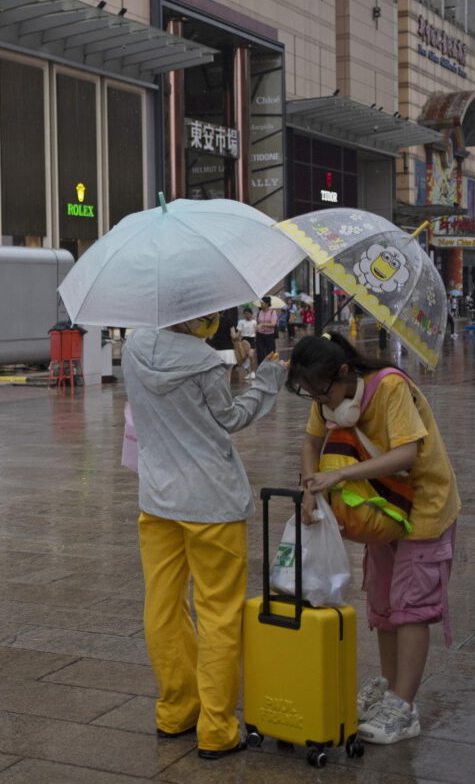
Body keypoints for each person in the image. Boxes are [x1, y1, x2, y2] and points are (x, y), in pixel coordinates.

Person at [122, 313, 286, 760]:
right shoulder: (203, 361)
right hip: (212, 502)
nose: (213, 322)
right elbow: (230, 418)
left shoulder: (133, 348)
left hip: (157, 499)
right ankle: (216, 728)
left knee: (162, 605)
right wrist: (267, 379)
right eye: (208, 315)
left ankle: (176, 710)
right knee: (217, 613)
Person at [288, 333, 459, 745]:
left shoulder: (391, 387)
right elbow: (311, 442)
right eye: (310, 394)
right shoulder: (325, 394)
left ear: (346, 373)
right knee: (383, 603)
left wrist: (339, 476)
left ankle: (404, 706)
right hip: (382, 509)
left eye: (323, 392)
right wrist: (311, 489)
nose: (321, 402)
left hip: (424, 507)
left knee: (411, 606)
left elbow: (407, 455)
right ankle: (388, 685)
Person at [255, 297, 279, 366]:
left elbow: (273, 324)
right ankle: (261, 368)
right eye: (261, 303)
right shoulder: (260, 312)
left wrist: (262, 324)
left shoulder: (272, 312)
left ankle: (271, 367)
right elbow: (257, 323)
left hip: (270, 335)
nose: (261, 304)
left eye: (262, 303)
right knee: (260, 353)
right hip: (260, 335)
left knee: (271, 352)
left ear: (267, 303)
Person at [235, 307, 257, 380]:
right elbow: (239, 332)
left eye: (248, 314)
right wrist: (236, 338)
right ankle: (248, 372)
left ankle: (253, 372)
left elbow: (256, 332)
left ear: (251, 314)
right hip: (244, 339)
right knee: (244, 358)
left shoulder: (254, 322)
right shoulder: (241, 322)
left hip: (252, 339)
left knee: (251, 356)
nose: (246, 315)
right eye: (245, 314)